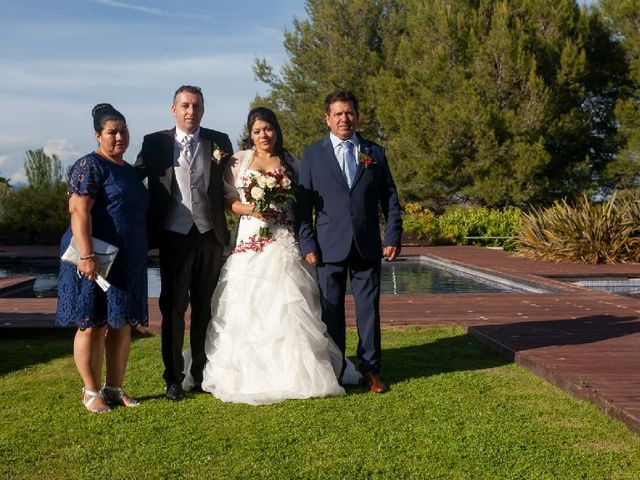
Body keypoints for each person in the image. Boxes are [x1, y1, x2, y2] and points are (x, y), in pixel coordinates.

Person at [182, 106, 347, 405]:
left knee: (290, 302)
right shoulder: (238, 161)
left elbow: (299, 202)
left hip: (282, 240)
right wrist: (252, 208)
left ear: (276, 130)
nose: (263, 135)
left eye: (268, 129)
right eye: (257, 131)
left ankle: (296, 372)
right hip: (249, 238)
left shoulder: (290, 162)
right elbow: (228, 200)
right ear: (250, 134)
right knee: (245, 303)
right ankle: (243, 373)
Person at [297, 90, 403, 393]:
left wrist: (392, 235)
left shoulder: (375, 152)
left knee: (369, 309)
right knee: (331, 312)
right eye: (338, 114)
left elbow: (390, 199)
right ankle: (336, 367)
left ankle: (371, 370)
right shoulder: (312, 155)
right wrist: (308, 245)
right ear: (327, 118)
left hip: (367, 244)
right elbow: (303, 207)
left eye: (350, 113)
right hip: (327, 246)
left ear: (356, 116)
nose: (345, 118)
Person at [134, 86, 233, 401]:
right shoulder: (154, 143)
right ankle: (173, 378)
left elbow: (235, 180)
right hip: (173, 236)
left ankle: (202, 373)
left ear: (203, 110)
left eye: (197, 106)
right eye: (185, 106)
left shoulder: (219, 141)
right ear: (173, 109)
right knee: (173, 308)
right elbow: (131, 178)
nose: (191, 111)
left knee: (205, 308)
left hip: (210, 236)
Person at [56, 103, 149, 413]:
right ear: (98, 136)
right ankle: (90, 391)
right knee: (92, 324)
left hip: (126, 259)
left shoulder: (128, 169)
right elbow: (78, 210)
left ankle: (114, 388)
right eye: (112, 132)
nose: (119, 136)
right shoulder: (89, 166)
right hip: (95, 258)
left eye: (123, 130)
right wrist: (86, 255)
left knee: (120, 324)